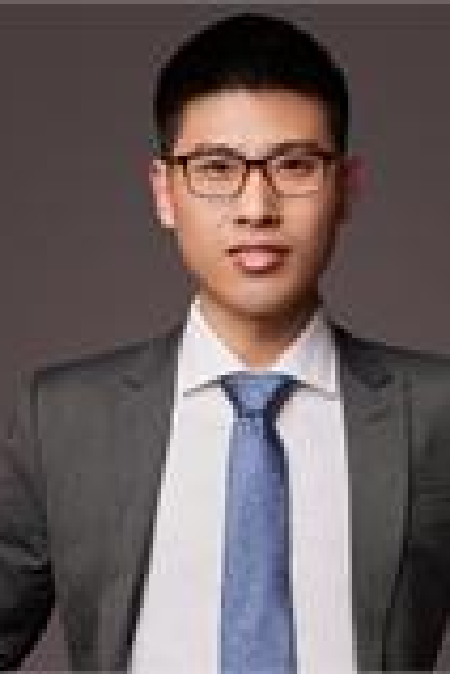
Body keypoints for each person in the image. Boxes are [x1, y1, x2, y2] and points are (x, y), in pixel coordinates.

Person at [2, 10, 450, 673]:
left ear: (346, 188)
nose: (255, 208)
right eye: (216, 168)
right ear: (165, 192)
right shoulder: (64, 420)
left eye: (294, 165)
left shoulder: (437, 412)